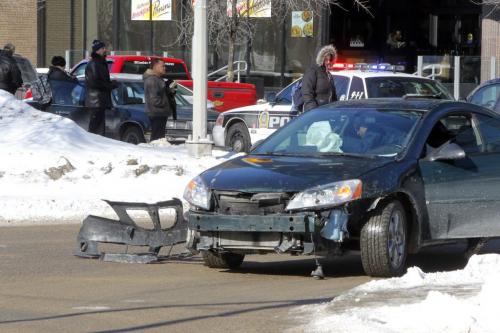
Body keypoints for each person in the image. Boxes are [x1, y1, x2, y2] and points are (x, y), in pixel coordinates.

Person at [84, 39, 117, 135]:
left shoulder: (101, 63)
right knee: (95, 129)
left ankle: (97, 146)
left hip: (100, 101)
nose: (105, 50)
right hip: (96, 101)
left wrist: (111, 84)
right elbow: (94, 83)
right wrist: (110, 85)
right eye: (103, 48)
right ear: (97, 50)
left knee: (99, 129)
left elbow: (100, 81)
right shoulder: (94, 64)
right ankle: (91, 146)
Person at [143, 58, 176, 141]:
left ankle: (157, 151)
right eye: (162, 66)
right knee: (157, 138)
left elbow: (160, 94)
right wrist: (166, 102)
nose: (165, 68)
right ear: (155, 66)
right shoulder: (152, 79)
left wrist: (169, 90)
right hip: (157, 112)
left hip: (160, 112)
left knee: (159, 138)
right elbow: (154, 99)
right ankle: (155, 152)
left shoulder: (157, 78)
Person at [301, 45, 338, 112]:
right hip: (315, 112)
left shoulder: (328, 74)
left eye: (330, 59)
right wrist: (313, 109)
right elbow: (306, 92)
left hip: (326, 111)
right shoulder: (312, 71)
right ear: (321, 59)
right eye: (326, 60)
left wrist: (335, 108)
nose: (328, 62)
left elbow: (333, 95)